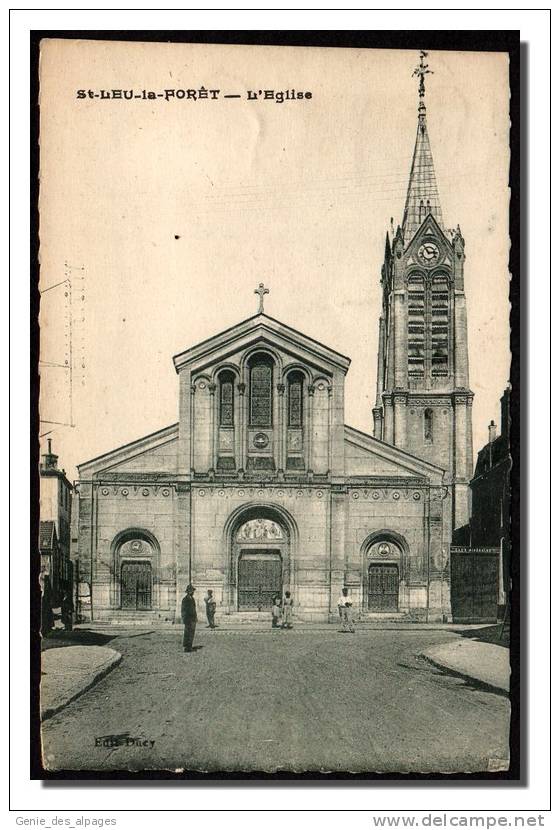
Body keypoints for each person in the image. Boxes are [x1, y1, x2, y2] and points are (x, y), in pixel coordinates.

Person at [181, 584, 197, 652]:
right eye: (192, 591)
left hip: (193, 619)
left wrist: (196, 617)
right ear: (189, 591)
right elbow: (183, 610)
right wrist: (184, 619)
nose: (193, 592)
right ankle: (186, 647)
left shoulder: (192, 599)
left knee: (192, 633)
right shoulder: (185, 599)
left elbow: (194, 608)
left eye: (193, 591)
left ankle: (190, 646)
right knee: (187, 633)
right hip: (188, 619)